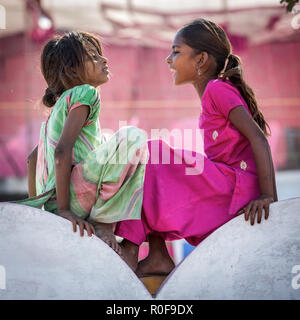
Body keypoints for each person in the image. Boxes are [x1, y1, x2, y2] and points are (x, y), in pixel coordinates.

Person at [115, 19, 278, 276]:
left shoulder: (216, 90)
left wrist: (268, 197)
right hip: (228, 185)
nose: (169, 60)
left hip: (235, 189)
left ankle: (132, 246)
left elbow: (258, 139)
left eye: (176, 51)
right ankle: (157, 254)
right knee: (160, 178)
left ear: (201, 60)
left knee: (151, 153)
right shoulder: (215, 92)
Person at [15, 31, 149, 256]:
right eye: (94, 57)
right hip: (72, 199)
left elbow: (32, 161)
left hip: (52, 202)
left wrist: (41, 211)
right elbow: (61, 152)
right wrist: (66, 210)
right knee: (133, 137)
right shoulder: (86, 93)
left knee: (106, 139)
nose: (104, 60)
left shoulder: (56, 110)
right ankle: (104, 221)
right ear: (73, 70)